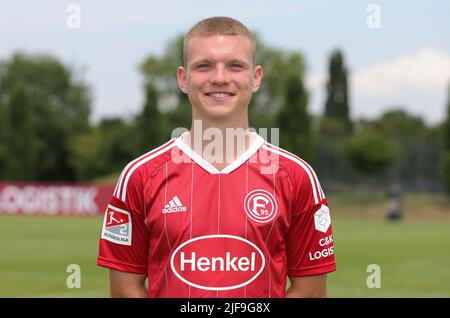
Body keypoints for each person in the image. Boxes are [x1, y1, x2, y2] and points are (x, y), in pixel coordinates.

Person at [97, 16, 336, 298]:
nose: (220, 78)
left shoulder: (296, 176)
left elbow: (310, 292)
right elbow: (125, 290)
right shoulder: (139, 176)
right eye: (204, 66)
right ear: (183, 79)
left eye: (235, 66)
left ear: (255, 77)